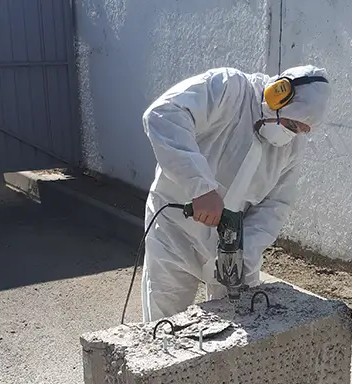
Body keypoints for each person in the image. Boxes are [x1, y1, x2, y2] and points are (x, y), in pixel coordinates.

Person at [140, 65, 331, 322]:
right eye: (289, 123)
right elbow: (163, 115)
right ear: (277, 95)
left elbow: (276, 205)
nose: (290, 133)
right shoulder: (229, 90)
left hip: (232, 244)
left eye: (300, 129)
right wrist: (200, 187)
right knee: (165, 321)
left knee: (240, 322)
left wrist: (246, 254)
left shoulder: (291, 146)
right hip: (176, 230)